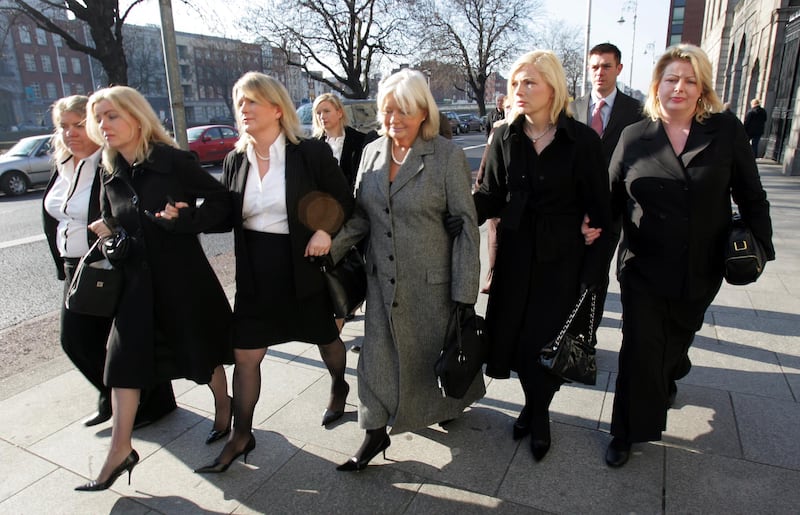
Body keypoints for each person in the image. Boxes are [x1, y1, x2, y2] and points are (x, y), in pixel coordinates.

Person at [604, 44, 774, 468]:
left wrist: (761, 248)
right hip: (643, 267)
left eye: (690, 80)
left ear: (702, 89)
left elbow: (752, 195)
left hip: (701, 268)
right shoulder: (634, 137)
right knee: (639, 347)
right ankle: (625, 432)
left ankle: (674, 368)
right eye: (671, 79)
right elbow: (608, 201)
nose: (679, 87)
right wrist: (588, 233)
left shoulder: (726, 131)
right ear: (656, 85)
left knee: (676, 340)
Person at [195, 72, 355, 474]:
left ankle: (339, 384)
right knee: (246, 354)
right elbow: (224, 215)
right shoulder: (235, 160)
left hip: (302, 265)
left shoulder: (309, 154)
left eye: (252, 101)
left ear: (276, 108)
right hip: (255, 272)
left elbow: (343, 200)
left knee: (325, 337)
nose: (243, 109)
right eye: (240, 102)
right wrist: (186, 216)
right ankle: (242, 433)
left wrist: (324, 230)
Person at [77, 86, 233, 491]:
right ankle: (120, 449)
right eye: (100, 118)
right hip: (133, 285)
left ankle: (223, 405)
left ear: (137, 116)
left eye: (112, 115)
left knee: (201, 355)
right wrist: (108, 229)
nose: (103, 125)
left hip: (181, 280)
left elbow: (223, 206)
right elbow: (107, 217)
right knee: (122, 366)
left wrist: (184, 219)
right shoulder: (108, 168)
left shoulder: (172, 161)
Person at [330, 68, 482, 471]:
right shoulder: (372, 153)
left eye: (404, 111)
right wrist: (330, 248)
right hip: (382, 280)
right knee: (375, 360)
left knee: (432, 359)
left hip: (432, 284)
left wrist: (465, 295)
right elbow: (363, 216)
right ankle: (374, 433)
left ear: (423, 112)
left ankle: (449, 403)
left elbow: (466, 227)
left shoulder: (446, 156)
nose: (394, 120)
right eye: (388, 111)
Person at [473, 50, 612, 462]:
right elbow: (490, 195)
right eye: (515, 83)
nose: (519, 90)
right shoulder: (504, 136)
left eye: (529, 82)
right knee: (515, 340)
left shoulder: (582, 141)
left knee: (546, 343)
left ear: (553, 88)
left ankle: (539, 415)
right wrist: (452, 213)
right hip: (515, 257)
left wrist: (592, 273)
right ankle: (534, 407)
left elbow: (602, 213)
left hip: (562, 261)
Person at [43, 95, 177, 433]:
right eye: (63, 127)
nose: (70, 133)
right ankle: (118, 398)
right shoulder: (63, 166)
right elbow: (54, 218)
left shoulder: (106, 165)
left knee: (87, 339)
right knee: (88, 340)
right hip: (76, 266)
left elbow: (128, 213)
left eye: (78, 125)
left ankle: (141, 401)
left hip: (107, 265)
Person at [570, 42, 643, 339]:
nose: (600, 72)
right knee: (572, 272)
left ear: (619, 69)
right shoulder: (573, 108)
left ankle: (587, 337)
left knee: (596, 276)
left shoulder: (635, 111)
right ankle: (567, 334)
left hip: (612, 210)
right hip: (573, 209)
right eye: (595, 66)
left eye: (606, 66)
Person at [474, 96, 513, 293]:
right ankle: (493, 276)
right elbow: (486, 166)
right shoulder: (498, 131)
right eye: (507, 107)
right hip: (497, 207)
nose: (509, 111)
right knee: (495, 243)